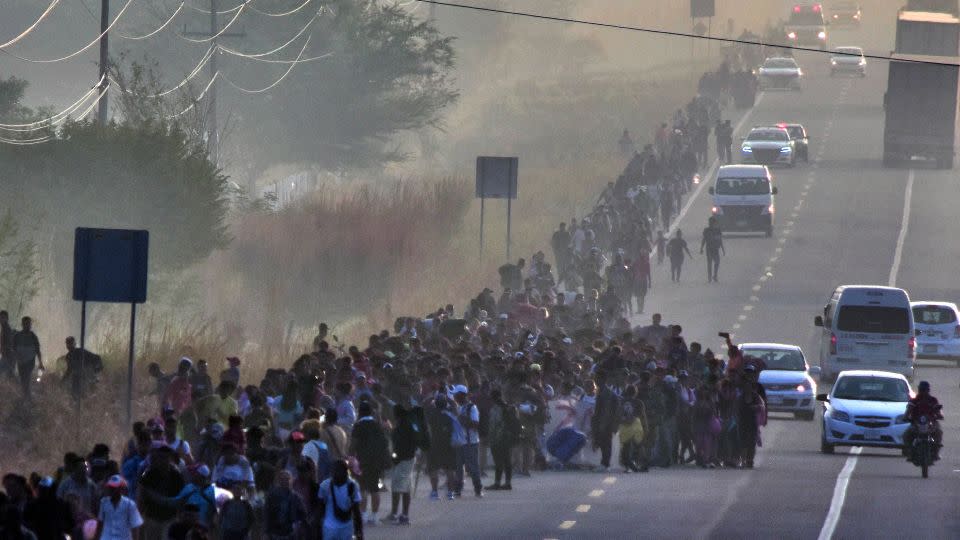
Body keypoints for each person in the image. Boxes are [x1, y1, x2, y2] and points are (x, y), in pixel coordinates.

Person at [350, 401, 391, 525]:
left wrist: (350, 456)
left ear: (360, 412)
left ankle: (363, 515)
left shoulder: (358, 426)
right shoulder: (376, 425)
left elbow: (353, 444)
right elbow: (384, 442)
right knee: (374, 489)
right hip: (376, 461)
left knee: (362, 488)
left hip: (362, 460)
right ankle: (375, 516)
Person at [317, 460, 364, 540]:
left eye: (339, 471)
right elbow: (320, 508)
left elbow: (356, 511)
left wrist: (359, 531)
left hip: (342, 528)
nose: (337, 474)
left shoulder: (352, 486)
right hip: (332, 528)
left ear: (346, 472)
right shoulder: (325, 486)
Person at [485, 389, 519, 490]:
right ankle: (508, 482)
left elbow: (493, 425)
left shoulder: (495, 409)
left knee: (498, 462)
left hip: (497, 437)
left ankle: (497, 482)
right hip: (508, 437)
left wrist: (490, 437)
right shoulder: (508, 407)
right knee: (507, 460)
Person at [452, 385, 483, 498]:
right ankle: (458, 489)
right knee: (458, 468)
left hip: (470, 442)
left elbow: (475, 424)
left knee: (473, 467)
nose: (454, 397)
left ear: (462, 395)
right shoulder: (458, 407)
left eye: (456, 395)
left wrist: (460, 418)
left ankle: (478, 488)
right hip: (459, 442)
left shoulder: (472, 408)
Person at [903, 381, 944, 460]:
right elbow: (908, 411)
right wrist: (906, 417)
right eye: (921, 390)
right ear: (919, 390)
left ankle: (936, 453)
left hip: (931, 423)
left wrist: (940, 415)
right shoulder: (914, 401)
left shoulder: (933, 400)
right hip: (916, 424)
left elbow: (939, 411)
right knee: (906, 435)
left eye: (925, 390)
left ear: (928, 390)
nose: (923, 392)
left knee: (939, 432)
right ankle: (910, 453)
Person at [95, 476, 144, 540]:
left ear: (121, 489)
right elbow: (100, 524)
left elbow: (135, 527)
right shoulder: (104, 502)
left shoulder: (130, 505)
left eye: (114, 488)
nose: (111, 490)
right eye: (110, 487)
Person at [591, 371, 620, 471]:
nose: (596, 380)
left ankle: (605, 464)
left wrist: (602, 424)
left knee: (605, 443)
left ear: (603, 379)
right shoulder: (601, 391)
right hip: (604, 421)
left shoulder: (606, 393)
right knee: (603, 443)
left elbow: (606, 410)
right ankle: (604, 463)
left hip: (606, 422)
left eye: (598, 378)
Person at [264, 470, 305, 540]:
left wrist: (297, 525)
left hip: (290, 532)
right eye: (283, 479)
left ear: (291, 480)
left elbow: (303, 514)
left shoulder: (296, 497)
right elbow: (267, 514)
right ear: (279, 481)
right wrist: (266, 532)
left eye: (287, 479)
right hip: (275, 532)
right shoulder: (272, 496)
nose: (285, 481)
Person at [12, 316, 43, 398]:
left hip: (30, 361)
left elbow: (38, 350)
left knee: (27, 377)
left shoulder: (33, 336)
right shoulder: (17, 336)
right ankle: (26, 395)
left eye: (28, 324)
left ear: (30, 325)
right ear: (22, 324)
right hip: (20, 361)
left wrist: (41, 363)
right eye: (25, 324)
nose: (27, 325)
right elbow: (13, 349)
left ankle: (27, 396)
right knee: (23, 379)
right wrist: (17, 358)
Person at [700, 216, 725, 283]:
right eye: (709, 222)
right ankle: (710, 277)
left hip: (715, 248)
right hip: (709, 248)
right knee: (709, 263)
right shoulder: (706, 230)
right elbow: (704, 239)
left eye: (711, 222)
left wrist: (723, 249)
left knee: (717, 262)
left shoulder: (717, 230)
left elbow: (720, 240)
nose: (710, 224)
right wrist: (701, 248)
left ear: (714, 223)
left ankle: (715, 275)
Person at [0, 310, 13, 379]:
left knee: (9, 375)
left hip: (8, 355)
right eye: (0, 318)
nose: (1, 320)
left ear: (7, 319)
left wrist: (4, 349)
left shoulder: (7, 329)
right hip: (6, 355)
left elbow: (9, 343)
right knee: (9, 375)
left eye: (3, 318)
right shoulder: (3, 328)